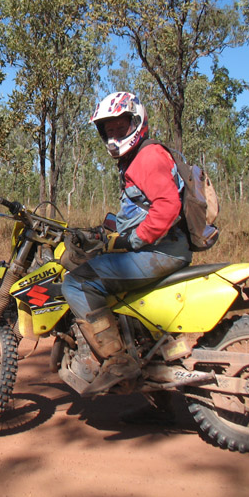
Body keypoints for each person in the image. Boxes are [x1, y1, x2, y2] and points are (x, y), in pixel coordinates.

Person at [61, 92, 191, 415]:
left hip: (162, 251)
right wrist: (104, 230)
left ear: (137, 122)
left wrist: (131, 241)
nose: (115, 135)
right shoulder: (134, 160)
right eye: (109, 130)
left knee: (77, 284)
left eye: (121, 127)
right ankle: (158, 400)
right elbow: (137, 211)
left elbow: (168, 207)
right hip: (160, 248)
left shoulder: (147, 157)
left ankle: (117, 361)